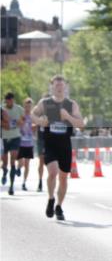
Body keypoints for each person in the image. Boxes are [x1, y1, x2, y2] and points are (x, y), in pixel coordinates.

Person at [30, 76, 85, 221]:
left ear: (65, 87)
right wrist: (40, 121)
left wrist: (69, 117)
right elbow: (32, 114)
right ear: (52, 87)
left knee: (63, 177)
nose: (59, 87)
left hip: (65, 146)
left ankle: (59, 206)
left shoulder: (71, 104)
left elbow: (81, 124)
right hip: (50, 144)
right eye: (56, 85)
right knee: (53, 172)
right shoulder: (45, 103)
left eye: (62, 85)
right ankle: (50, 198)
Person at [2, 92, 25, 196]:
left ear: (13, 100)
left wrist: (11, 123)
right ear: (5, 101)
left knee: (13, 160)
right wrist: (11, 123)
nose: (9, 102)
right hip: (4, 138)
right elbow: (3, 124)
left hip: (16, 137)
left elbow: (23, 120)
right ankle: (4, 171)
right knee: (4, 162)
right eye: (7, 101)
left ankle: (11, 186)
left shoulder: (18, 108)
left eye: (11, 100)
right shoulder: (2, 109)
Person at [17, 97, 37, 191]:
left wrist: (34, 126)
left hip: (29, 143)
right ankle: (18, 168)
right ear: (24, 106)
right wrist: (22, 121)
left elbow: (35, 129)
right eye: (26, 106)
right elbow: (18, 126)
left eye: (29, 106)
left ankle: (24, 182)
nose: (28, 108)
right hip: (20, 142)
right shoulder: (21, 115)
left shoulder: (33, 116)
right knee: (20, 162)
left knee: (27, 164)